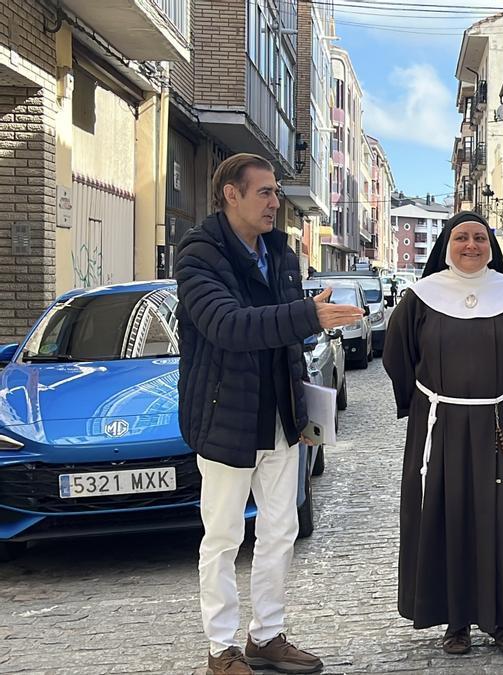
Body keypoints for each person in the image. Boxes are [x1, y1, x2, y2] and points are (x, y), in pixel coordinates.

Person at [176, 153, 365, 675]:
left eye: (276, 192)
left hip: (281, 420)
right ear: (230, 195)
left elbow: (288, 347)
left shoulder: (280, 254)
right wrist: (307, 313)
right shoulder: (198, 254)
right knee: (222, 538)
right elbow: (228, 326)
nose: (275, 202)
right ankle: (221, 649)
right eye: (264, 192)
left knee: (280, 531)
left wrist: (306, 413)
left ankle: (266, 635)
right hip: (225, 419)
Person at [383, 212, 503, 656]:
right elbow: (398, 357)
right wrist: (418, 406)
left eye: (479, 237)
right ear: (446, 246)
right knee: (446, 514)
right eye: (461, 238)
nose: (470, 245)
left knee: (501, 517)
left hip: (499, 424)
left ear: (490, 244)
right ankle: (455, 621)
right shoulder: (420, 298)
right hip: (441, 425)